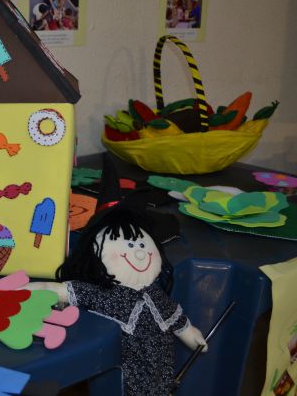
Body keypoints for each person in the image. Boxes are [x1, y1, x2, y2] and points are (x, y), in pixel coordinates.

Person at [24, 156, 207, 396]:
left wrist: (189, 332)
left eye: (140, 244)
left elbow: (174, 315)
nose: (139, 252)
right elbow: (61, 291)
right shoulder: (105, 295)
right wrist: (22, 292)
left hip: (161, 378)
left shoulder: (155, 295)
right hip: (122, 384)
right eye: (130, 246)